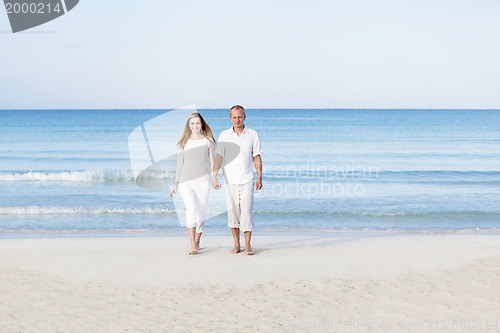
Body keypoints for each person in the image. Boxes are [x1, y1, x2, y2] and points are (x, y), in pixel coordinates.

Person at [212, 105, 262, 255]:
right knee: (233, 214)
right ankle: (236, 245)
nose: (237, 119)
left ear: (244, 117)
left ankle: (247, 245)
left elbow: (257, 156)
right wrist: (214, 177)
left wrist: (259, 176)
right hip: (230, 180)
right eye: (234, 117)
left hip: (247, 180)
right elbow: (219, 157)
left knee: (247, 213)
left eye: (240, 116)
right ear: (230, 118)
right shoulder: (225, 135)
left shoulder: (252, 134)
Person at [170, 112, 215, 255]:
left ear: (201, 123)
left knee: (201, 214)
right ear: (188, 126)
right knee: (191, 211)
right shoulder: (184, 142)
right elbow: (179, 163)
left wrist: (214, 178)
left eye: (197, 123)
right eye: (192, 123)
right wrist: (176, 183)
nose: (195, 126)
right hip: (185, 182)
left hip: (203, 182)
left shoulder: (208, 140)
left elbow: (213, 162)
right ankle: (192, 244)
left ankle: (198, 240)